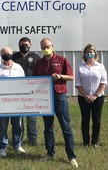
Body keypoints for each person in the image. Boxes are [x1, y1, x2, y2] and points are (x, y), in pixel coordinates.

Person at [32, 38, 78, 168]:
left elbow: (71, 76)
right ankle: (50, 153)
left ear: (52, 46)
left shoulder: (62, 60)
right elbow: (34, 80)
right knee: (48, 128)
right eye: (42, 47)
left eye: (47, 46)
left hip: (59, 97)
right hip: (45, 98)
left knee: (66, 127)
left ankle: (71, 156)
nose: (45, 49)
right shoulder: (39, 63)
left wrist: (60, 76)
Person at [0, 46, 26, 158]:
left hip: (17, 102)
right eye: (4, 53)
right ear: (1, 55)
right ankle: (2, 146)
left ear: (12, 54)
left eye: (8, 53)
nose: (6, 55)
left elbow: (23, 83)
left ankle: (17, 144)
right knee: (3, 125)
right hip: (3, 103)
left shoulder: (18, 67)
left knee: (18, 124)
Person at [75, 44, 108, 149]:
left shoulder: (100, 66)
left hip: (97, 98)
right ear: (84, 54)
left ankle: (94, 142)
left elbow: (104, 82)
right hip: (83, 97)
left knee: (96, 119)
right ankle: (85, 142)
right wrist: (85, 95)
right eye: (88, 52)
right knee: (85, 119)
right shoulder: (80, 66)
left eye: (92, 51)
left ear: (95, 53)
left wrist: (95, 95)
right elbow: (78, 83)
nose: (90, 53)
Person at [12, 37, 40, 146]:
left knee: (32, 115)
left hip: (31, 90)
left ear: (30, 45)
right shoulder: (13, 57)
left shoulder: (35, 57)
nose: (25, 46)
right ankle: (19, 137)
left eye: (27, 44)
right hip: (17, 90)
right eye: (22, 44)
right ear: (18, 44)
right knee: (19, 116)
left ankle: (33, 138)